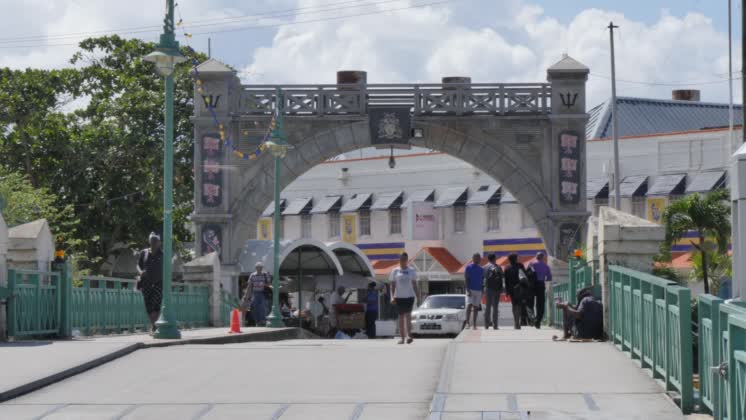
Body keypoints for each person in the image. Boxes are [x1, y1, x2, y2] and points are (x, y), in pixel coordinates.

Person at [389, 252, 419, 344]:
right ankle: (402, 338)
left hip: (409, 296)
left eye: (404, 259)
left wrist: (418, 296)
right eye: (401, 259)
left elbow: (414, 285)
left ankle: (409, 336)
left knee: (408, 317)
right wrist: (392, 297)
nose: (403, 261)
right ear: (399, 260)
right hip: (399, 297)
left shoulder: (411, 270)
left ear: (407, 260)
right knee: (401, 318)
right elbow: (392, 286)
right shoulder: (395, 271)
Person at [136, 232, 163, 333]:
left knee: (156, 304)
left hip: (158, 282)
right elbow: (138, 265)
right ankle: (154, 325)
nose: (153, 243)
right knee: (148, 305)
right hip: (146, 282)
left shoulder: (162, 254)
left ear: (159, 243)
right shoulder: (144, 252)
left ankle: (154, 325)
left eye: (155, 241)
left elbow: (166, 268)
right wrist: (140, 272)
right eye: (152, 241)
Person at [504, 253, 530, 329]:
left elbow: (506, 281)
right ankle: (517, 322)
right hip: (519, 288)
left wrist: (507, 291)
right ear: (515, 259)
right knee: (518, 305)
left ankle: (516, 322)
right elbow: (525, 276)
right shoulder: (520, 266)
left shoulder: (507, 268)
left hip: (512, 289)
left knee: (514, 305)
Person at [527, 252, 552, 329]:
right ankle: (538, 321)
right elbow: (549, 278)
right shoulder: (546, 266)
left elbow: (527, 273)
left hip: (531, 285)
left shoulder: (531, 264)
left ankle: (531, 319)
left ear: (536, 257)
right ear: (543, 258)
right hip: (541, 285)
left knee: (530, 302)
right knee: (540, 304)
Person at [242, 262, 271, 327]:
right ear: (256, 268)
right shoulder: (252, 275)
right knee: (254, 307)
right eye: (258, 267)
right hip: (255, 293)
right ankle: (257, 321)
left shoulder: (265, 274)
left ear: (262, 268)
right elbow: (249, 286)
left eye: (260, 267)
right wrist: (246, 295)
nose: (259, 269)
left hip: (263, 293)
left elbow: (269, 284)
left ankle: (262, 321)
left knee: (262, 307)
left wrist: (263, 284)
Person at [483, 253, 504, 330]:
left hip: (488, 288)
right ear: (494, 258)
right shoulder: (498, 267)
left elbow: (483, 278)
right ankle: (495, 325)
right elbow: (502, 276)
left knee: (488, 307)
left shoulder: (484, 267)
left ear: (488, 259)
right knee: (495, 307)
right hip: (497, 289)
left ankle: (486, 324)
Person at [464, 253, 484, 330]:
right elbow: (466, 279)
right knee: (469, 306)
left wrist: (482, 290)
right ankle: (467, 323)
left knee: (476, 307)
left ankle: (474, 324)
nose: (478, 259)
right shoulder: (468, 267)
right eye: (476, 258)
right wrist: (468, 290)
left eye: (479, 258)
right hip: (470, 289)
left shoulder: (481, 269)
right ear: (473, 258)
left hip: (478, 290)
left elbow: (482, 280)